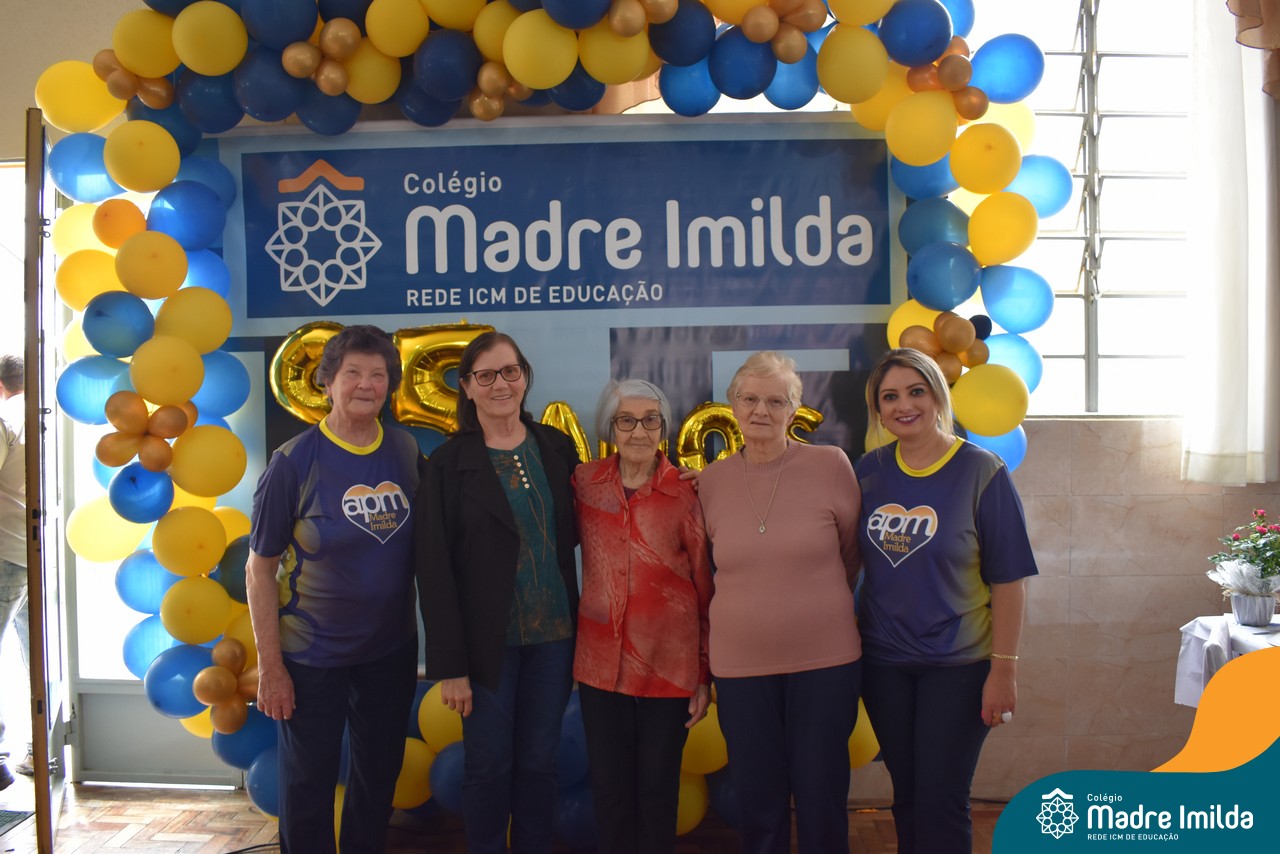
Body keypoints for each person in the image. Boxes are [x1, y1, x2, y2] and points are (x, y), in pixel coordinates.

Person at [246, 325, 421, 854]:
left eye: (378, 374)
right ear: (327, 382)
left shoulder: (405, 448)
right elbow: (259, 570)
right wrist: (271, 667)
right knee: (308, 785)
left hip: (389, 651)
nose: (366, 384)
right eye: (353, 373)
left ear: (390, 384)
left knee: (379, 776)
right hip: (311, 654)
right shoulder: (293, 462)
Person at [856, 348, 1036, 854]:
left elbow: (1010, 581)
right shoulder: (868, 471)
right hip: (884, 664)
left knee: (942, 798)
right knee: (908, 796)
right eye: (889, 397)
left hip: (959, 665)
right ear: (878, 410)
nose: (903, 405)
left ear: (938, 396)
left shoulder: (982, 471)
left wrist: (1004, 670)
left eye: (916, 391)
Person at [415, 331, 582, 854]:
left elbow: (598, 516)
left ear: (524, 377)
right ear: (466, 387)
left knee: (539, 764)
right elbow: (433, 569)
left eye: (510, 371)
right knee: (488, 767)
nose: (500, 384)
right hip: (487, 650)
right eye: (485, 375)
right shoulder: (446, 465)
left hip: (555, 639)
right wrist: (451, 666)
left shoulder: (556, 448)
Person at [697, 351, 862, 854]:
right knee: (757, 798)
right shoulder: (709, 481)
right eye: (749, 399)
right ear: (733, 405)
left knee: (821, 795)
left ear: (794, 410)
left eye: (775, 401)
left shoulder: (830, 465)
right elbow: (704, 571)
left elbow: (851, 554)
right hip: (740, 666)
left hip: (825, 661)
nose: (761, 411)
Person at [572, 379, 714, 853]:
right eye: (626, 420)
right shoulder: (584, 483)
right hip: (598, 664)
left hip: (668, 665)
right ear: (609, 428)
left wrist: (703, 673)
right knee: (609, 789)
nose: (639, 431)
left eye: (650, 420)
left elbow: (705, 588)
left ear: (663, 427)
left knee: (658, 789)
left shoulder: (686, 492)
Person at [0, 354, 29, 789]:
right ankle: (40, 751)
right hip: (31, 552)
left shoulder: (5, 419)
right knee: (36, 655)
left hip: (4, 550)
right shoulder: (39, 415)